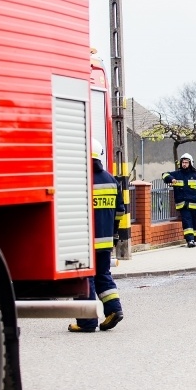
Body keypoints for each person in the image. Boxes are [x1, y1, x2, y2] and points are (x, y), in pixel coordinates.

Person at [69, 139, 125, 333]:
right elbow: (120, 211)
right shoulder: (111, 180)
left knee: (84, 277)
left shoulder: (78, 179)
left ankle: (86, 322)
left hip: (83, 240)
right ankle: (114, 310)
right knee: (103, 274)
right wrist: (115, 234)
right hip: (105, 240)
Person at [163, 153, 196, 248]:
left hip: (194, 204)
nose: (184, 164)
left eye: (186, 162)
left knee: (194, 223)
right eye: (183, 162)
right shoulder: (177, 174)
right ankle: (190, 240)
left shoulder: (195, 175)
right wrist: (171, 179)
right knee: (187, 221)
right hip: (183, 204)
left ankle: (193, 239)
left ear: (190, 163)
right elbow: (164, 174)